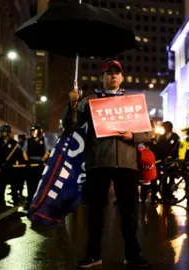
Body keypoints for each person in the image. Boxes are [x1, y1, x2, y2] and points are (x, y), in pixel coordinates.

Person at [63, 60, 152, 268]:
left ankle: (133, 254)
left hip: (127, 164)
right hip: (98, 163)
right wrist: (72, 105)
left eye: (116, 73)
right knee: (95, 212)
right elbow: (70, 125)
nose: (112, 76)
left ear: (122, 77)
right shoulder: (89, 102)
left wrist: (132, 135)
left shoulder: (134, 104)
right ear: (101, 78)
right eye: (108, 73)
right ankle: (93, 254)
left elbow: (147, 133)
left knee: (129, 212)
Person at [0, 124, 23, 205]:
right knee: (0, 185)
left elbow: (19, 155)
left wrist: (18, 164)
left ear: (8, 132)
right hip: (0, 166)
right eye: (2, 132)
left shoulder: (14, 143)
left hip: (10, 167)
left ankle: (15, 199)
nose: (3, 133)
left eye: (4, 132)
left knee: (14, 185)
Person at [22, 125, 50, 209]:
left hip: (40, 164)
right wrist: (27, 161)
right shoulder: (28, 141)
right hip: (31, 164)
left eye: (35, 132)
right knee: (30, 183)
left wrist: (43, 159)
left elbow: (47, 151)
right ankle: (30, 200)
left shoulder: (43, 140)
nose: (34, 133)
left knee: (40, 183)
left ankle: (40, 201)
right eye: (32, 132)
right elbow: (24, 151)